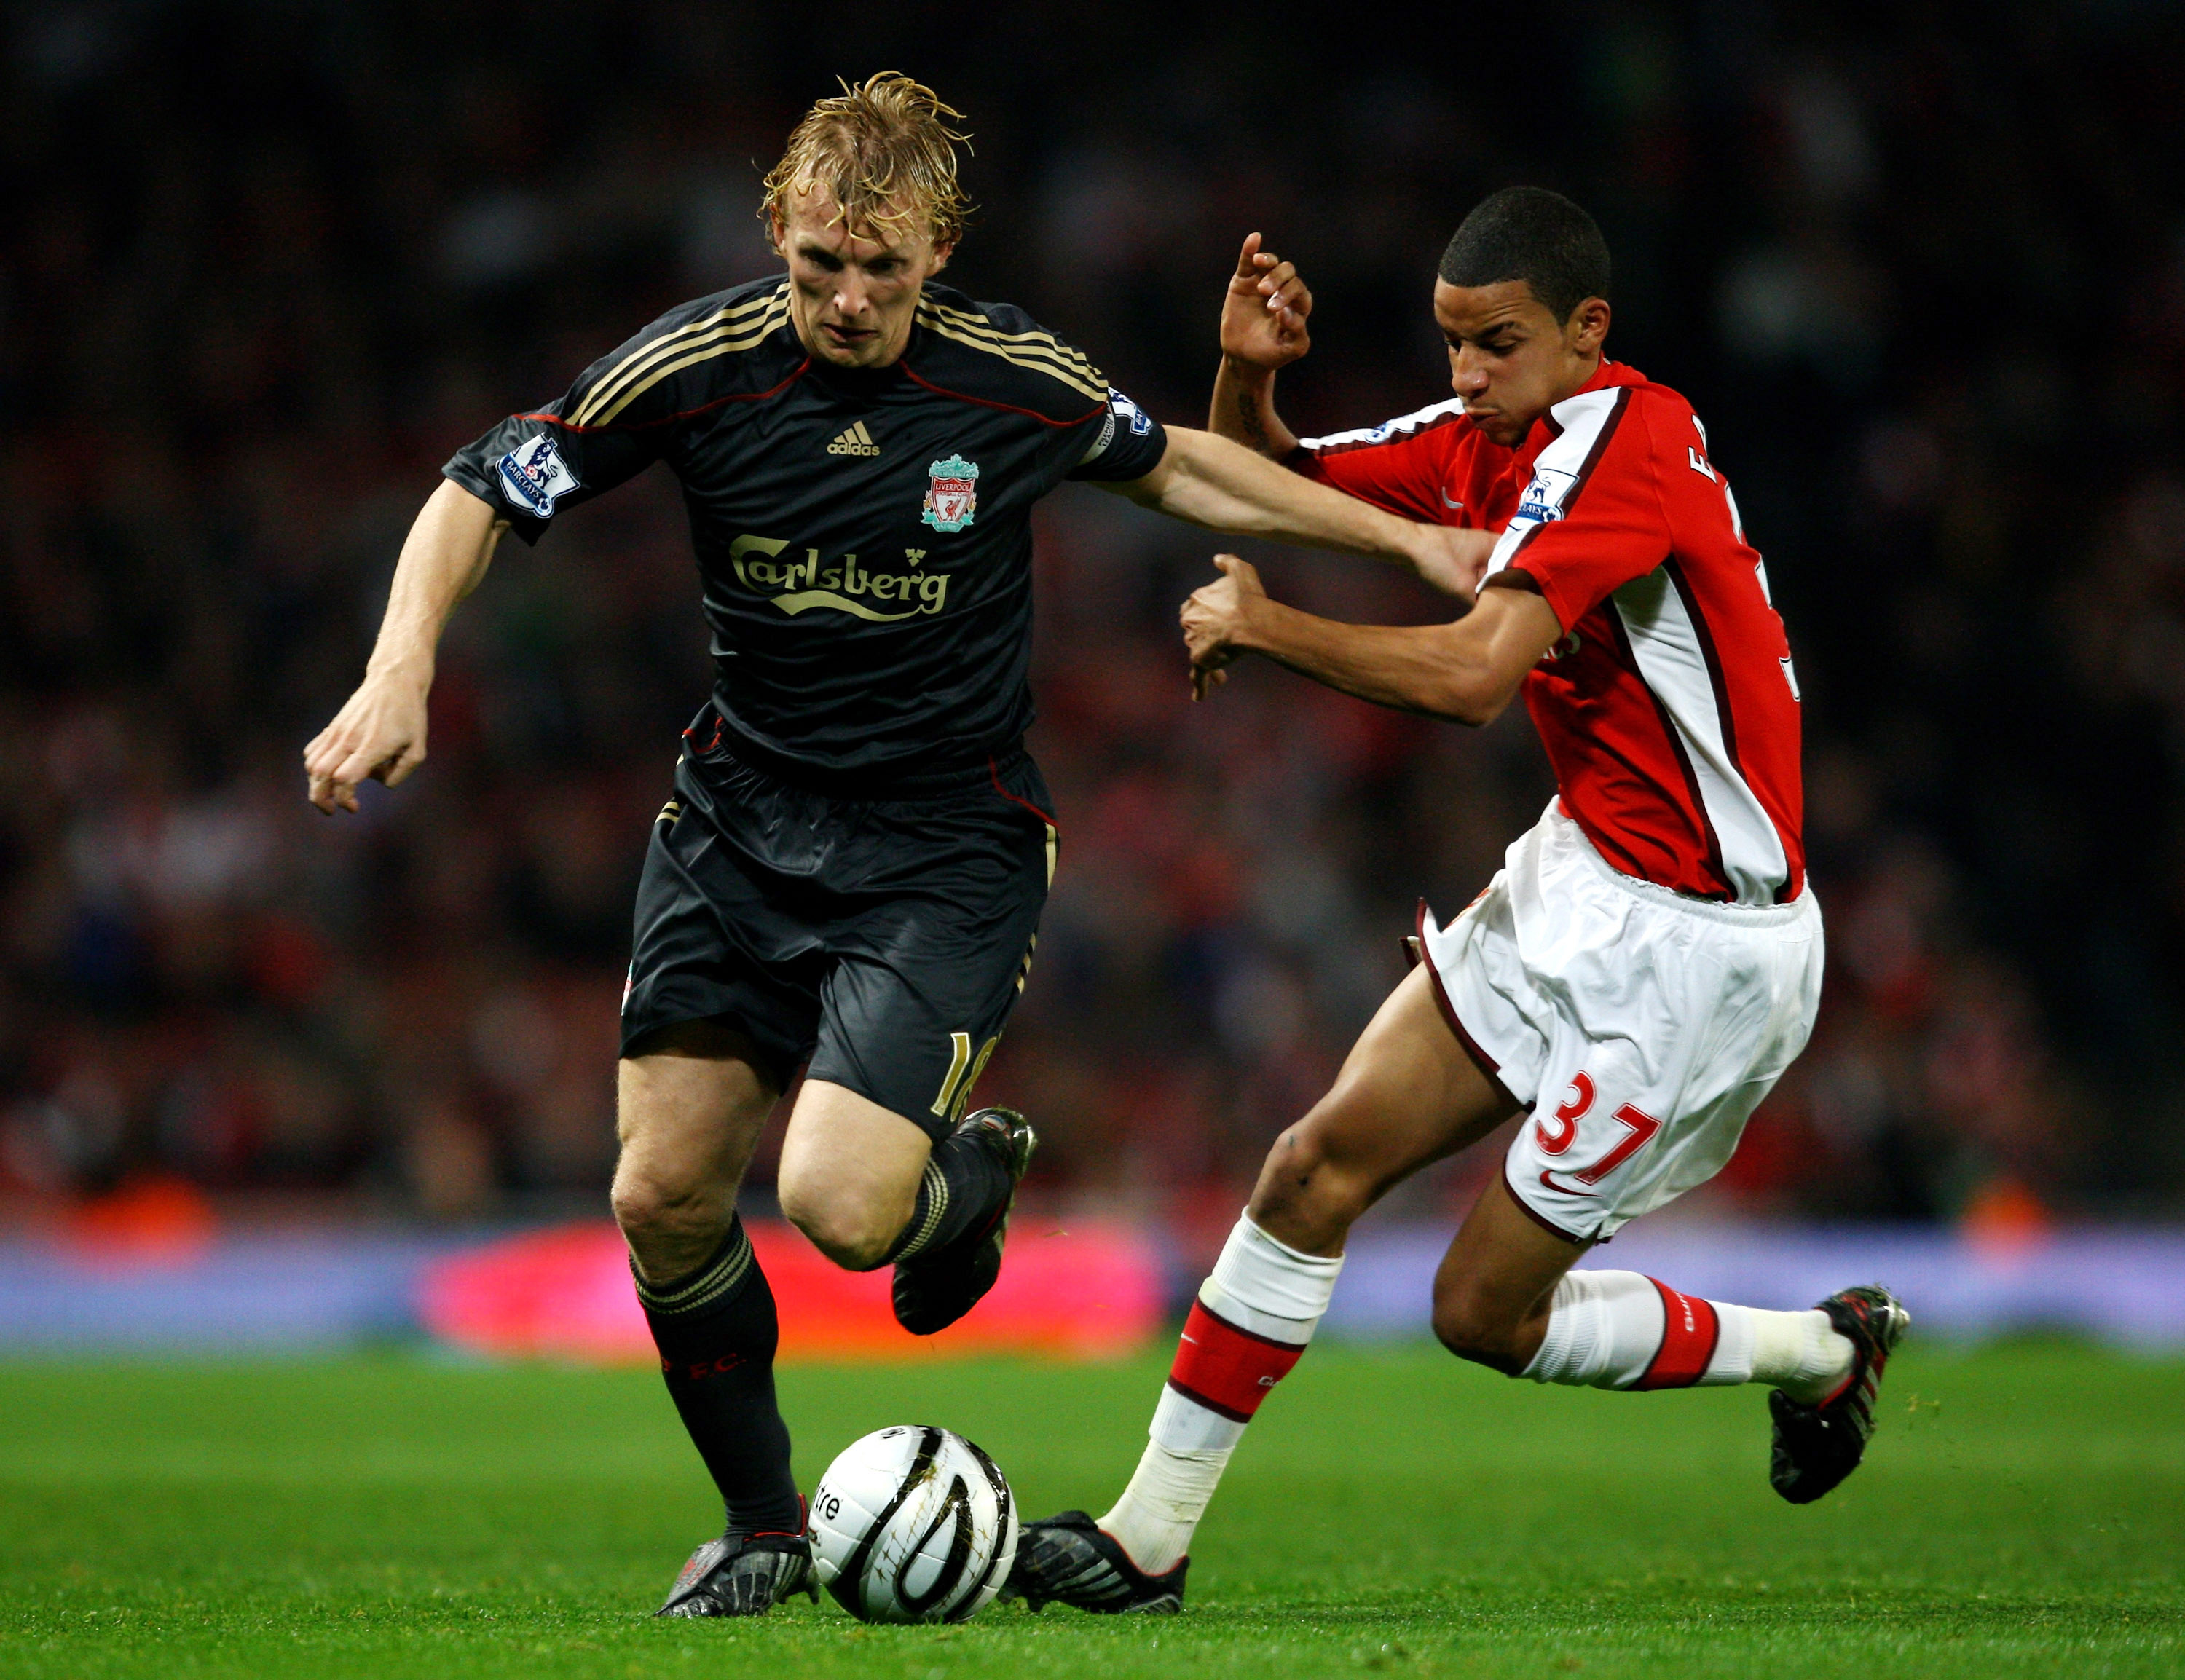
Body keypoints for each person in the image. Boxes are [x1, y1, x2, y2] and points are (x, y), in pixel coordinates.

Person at [301, 74, 1476, 1620]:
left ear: (938, 254)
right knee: (660, 1193)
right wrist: (401, 664)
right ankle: (763, 1523)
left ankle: (955, 1194)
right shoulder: (698, 364)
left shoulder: (1011, 381)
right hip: (738, 826)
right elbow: (479, 486)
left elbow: (1183, 464)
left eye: (884, 271)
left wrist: (1401, 540)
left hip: (944, 842)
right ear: (777, 234)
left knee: (844, 1212)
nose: (848, 302)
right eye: (818, 267)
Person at [1007, 188, 1908, 1615]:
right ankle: (1145, 1538)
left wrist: (1270, 626)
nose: (1466, 376)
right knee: (1310, 1167)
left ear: (1586, 332)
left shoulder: (1634, 447)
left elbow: (1480, 676)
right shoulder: (1492, 436)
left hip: (1699, 947)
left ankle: (1817, 1350)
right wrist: (1248, 376)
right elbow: (1273, 477)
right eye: (1450, 344)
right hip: (1583, 873)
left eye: (1497, 343)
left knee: (1480, 1312)